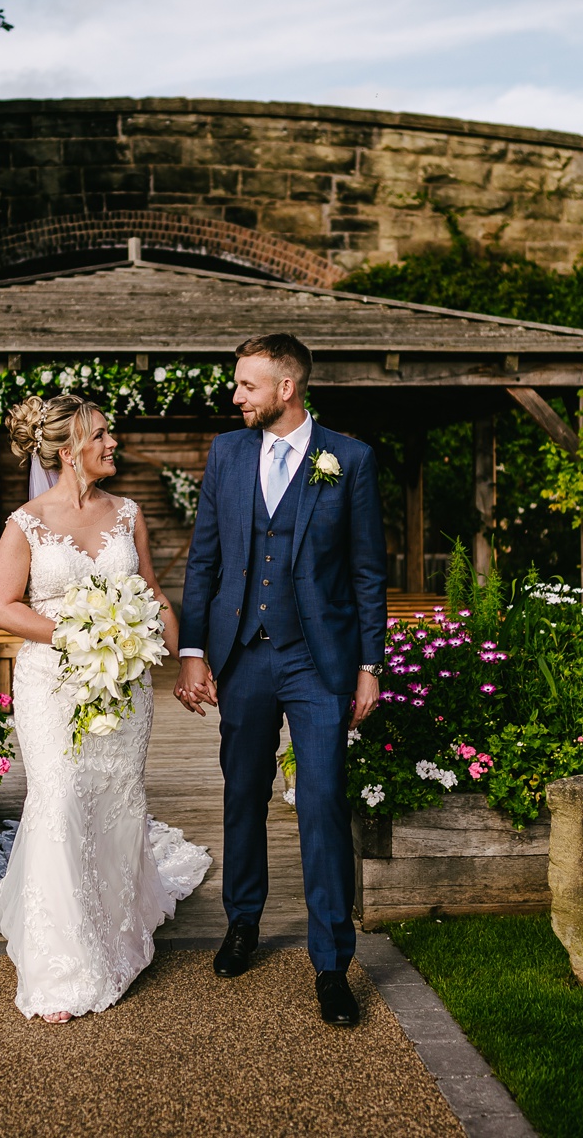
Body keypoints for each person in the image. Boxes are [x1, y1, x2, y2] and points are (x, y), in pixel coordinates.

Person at [172, 333, 387, 1026]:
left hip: (317, 660)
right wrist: (195, 651)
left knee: (322, 802)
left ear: (285, 389)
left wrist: (369, 666)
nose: (235, 396)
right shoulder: (227, 454)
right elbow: (204, 561)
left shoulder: (349, 460)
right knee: (244, 795)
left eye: (246, 385)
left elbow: (366, 573)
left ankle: (331, 963)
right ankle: (243, 922)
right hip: (243, 655)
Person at [0, 393, 211, 1022]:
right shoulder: (26, 522)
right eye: (102, 435)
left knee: (114, 797)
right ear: (67, 448)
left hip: (123, 686)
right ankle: (64, 964)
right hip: (52, 685)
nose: (114, 444)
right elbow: (4, 607)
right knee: (60, 797)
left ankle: (116, 923)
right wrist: (79, 633)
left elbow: (154, 592)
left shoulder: (127, 512)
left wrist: (166, 640)